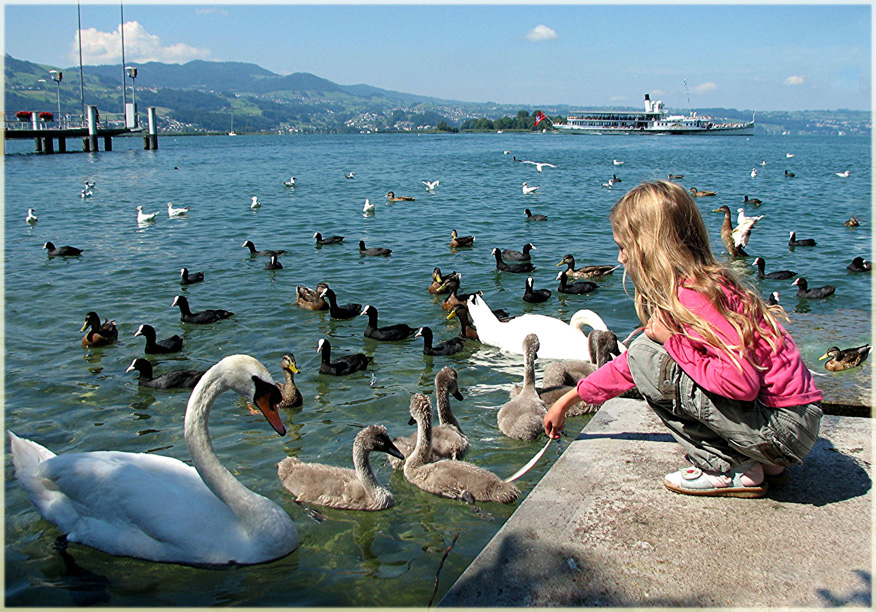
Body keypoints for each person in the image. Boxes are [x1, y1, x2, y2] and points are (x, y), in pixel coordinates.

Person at [544, 180, 823, 498]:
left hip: (781, 429)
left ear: (651, 248)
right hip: (794, 424)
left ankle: (726, 467)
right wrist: (571, 398)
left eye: (624, 248)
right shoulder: (711, 283)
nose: (620, 259)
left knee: (647, 354)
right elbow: (628, 367)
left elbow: (740, 384)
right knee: (646, 352)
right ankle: (763, 462)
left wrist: (672, 343)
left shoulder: (691, 296)